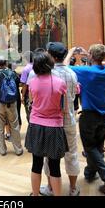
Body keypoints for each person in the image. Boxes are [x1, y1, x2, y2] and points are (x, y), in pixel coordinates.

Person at [64, 44, 105, 195]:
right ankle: (90, 173)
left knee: (89, 147)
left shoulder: (85, 71)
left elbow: (64, 67)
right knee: (98, 146)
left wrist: (70, 53)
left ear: (91, 57)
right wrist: (90, 54)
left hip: (89, 115)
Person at [40, 42, 80, 196]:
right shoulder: (71, 73)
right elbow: (74, 94)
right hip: (69, 119)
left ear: (51, 56)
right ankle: (73, 188)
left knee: (50, 157)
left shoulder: (48, 74)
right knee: (72, 155)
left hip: (52, 122)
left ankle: (50, 188)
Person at [25, 51, 68, 196]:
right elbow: (64, 108)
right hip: (55, 127)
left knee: (36, 164)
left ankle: (35, 194)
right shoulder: (60, 83)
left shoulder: (32, 83)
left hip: (36, 125)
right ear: (50, 64)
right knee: (55, 166)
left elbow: (32, 102)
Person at [0, 56, 23, 156]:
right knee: (14, 126)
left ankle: (2, 150)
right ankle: (18, 149)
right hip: (12, 103)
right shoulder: (13, 73)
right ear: (6, 64)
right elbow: (18, 83)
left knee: (0, 127)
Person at [20, 51, 34, 123]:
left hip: (29, 93)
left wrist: (22, 96)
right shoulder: (37, 66)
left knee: (29, 112)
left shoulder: (26, 69)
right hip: (38, 92)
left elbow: (24, 84)